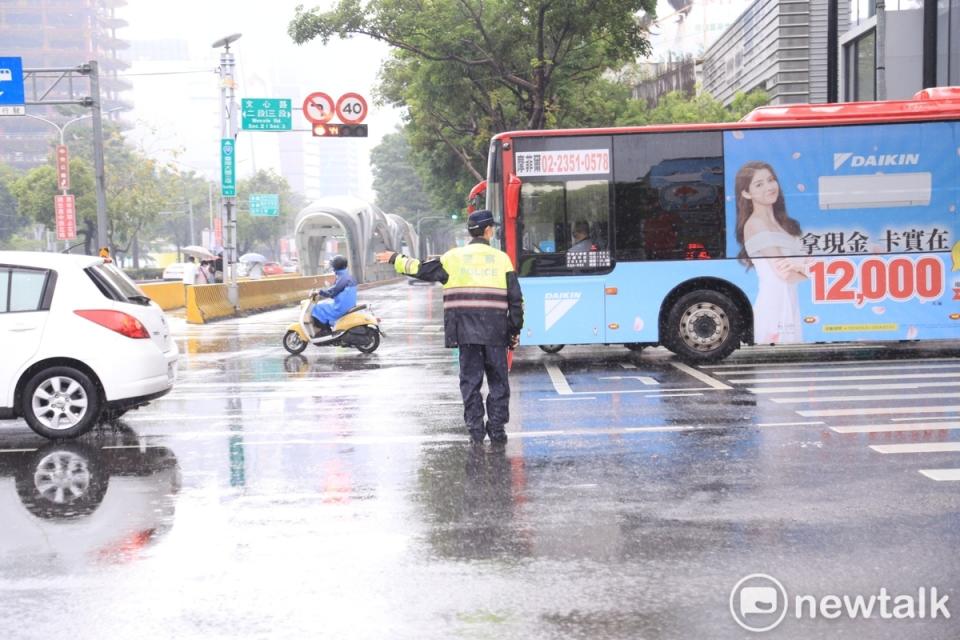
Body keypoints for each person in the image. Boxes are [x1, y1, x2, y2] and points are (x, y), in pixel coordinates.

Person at [376, 209, 524, 445]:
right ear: (488, 231)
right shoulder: (501, 259)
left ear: (469, 231)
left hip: (464, 333)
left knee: (470, 381)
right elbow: (516, 300)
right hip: (496, 332)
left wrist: (395, 258)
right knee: (498, 381)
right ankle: (496, 429)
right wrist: (514, 330)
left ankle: (476, 430)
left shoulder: (453, 258)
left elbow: (420, 269)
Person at [734, 161, 808, 344]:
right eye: (759, 184)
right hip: (775, 304)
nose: (769, 187)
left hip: (787, 298)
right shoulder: (756, 224)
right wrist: (820, 271)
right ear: (746, 193)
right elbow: (785, 273)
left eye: (771, 180)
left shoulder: (782, 224)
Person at [311, 254, 357, 335]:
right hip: (347, 305)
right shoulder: (346, 276)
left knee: (317, 308)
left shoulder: (343, 278)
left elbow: (333, 292)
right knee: (324, 305)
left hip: (341, 307)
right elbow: (336, 290)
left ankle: (325, 331)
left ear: (336, 266)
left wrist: (320, 292)